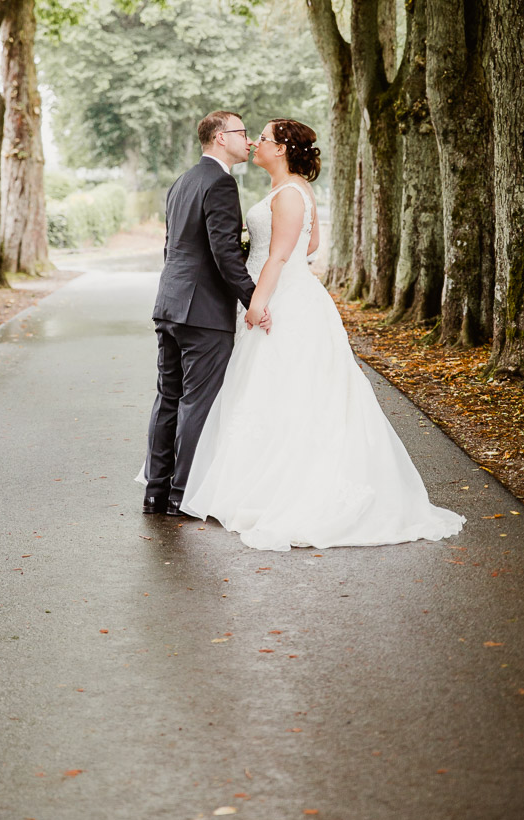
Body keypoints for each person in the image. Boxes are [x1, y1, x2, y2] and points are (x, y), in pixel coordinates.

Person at [180, 118, 466, 550]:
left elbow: (280, 256)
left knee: (293, 389)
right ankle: (257, 483)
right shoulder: (289, 191)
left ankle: (291, 489)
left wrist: (258, 300)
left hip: (284, 299)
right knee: (268, 391)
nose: (256, 142)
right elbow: (308, 247)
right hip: (281, 289)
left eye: (264, 138)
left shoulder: (292, 192)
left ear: (281, 150)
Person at [138, 110, 270, 516]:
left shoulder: (183, 182)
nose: (247, 140)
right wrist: (253, 300)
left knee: (168, 398)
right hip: (203, 313)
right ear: (218, 137)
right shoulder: (220, 183)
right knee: (198, 402)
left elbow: (172, 247)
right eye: (241, 133)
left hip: (170, 305)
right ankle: (184, 493)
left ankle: (156, 493)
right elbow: (224, 253)